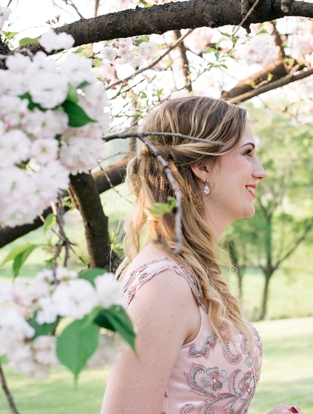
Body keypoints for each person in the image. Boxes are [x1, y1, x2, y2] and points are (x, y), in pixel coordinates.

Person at [101, 96, 301, 414]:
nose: (259, 171)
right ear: (202, 166)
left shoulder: (188, 272)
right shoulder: (164, 284)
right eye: (247, 153)